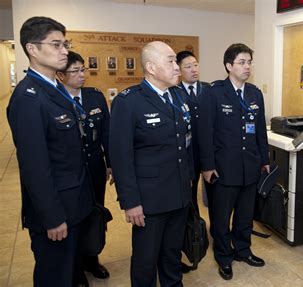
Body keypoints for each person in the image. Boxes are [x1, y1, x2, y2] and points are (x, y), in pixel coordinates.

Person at [6, 16, 94, 286]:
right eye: (56, 45)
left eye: (64, 44)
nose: (64, 50)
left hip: (74, 204)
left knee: (68, 271)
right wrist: (53, 218)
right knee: (54, 276)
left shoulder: (54, 88)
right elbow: (35, 167)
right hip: (56, 213)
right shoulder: (28, 97)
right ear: (32, 49)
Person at [109, 41, 193, 287]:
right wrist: (130, 202)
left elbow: (185, 143)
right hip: (149, 200)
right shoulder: (129, 102)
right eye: (170, 61)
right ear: (151, 67)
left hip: (178, 193)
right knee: (146, 261)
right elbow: (121, 157)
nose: (177, 67)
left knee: (171, 254)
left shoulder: (178, 96)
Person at [198, 43, 270, 280]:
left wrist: (265, 160)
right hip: (222, 169)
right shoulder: (214, 93)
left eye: (249, 62)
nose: (247, 66)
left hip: (250, 166)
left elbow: (260, 131)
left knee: (245, 215)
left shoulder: (254, 93)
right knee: (220, 218)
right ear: (229, 66)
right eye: (242, 62)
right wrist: (207, 166)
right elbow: (205, 133)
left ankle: (243, 249)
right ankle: (224, 256)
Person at [57, 51, 112, 280]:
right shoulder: (55, 99)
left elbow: (107, 133)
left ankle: (92, 259)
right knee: (74, 220)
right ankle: (75, 266)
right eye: (75, 71)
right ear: (61, 75)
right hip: (70, 173)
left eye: (83, 70)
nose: (81, 75)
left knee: (94, 214)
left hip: (95, 168)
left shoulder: (95, 97)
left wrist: (110, 164)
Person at [176, 50, 211, 215]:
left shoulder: (209, 89)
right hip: (188, 153)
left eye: (195, 65)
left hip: (209, 152)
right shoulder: (174, 93)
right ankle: (195, 233)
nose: (194, 70)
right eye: (188, 67)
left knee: (215, 194)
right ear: (179, 70)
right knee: (189, 194)